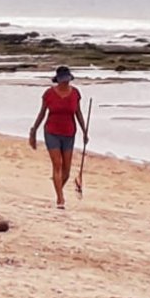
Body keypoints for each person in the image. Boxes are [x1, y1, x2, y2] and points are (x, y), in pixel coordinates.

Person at [29, 66, 90, 209]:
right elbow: (42, 113)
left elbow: (78, 113)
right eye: (63, 80)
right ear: (58, 80)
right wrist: (33, 131)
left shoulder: (75, 93)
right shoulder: (49, 94)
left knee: (67, 171)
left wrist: (85, 131)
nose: (66, 82)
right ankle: (60, 199)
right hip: (52, 132)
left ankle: (58, 189)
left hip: (69, 133)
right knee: (57, 165)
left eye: (67, 80)